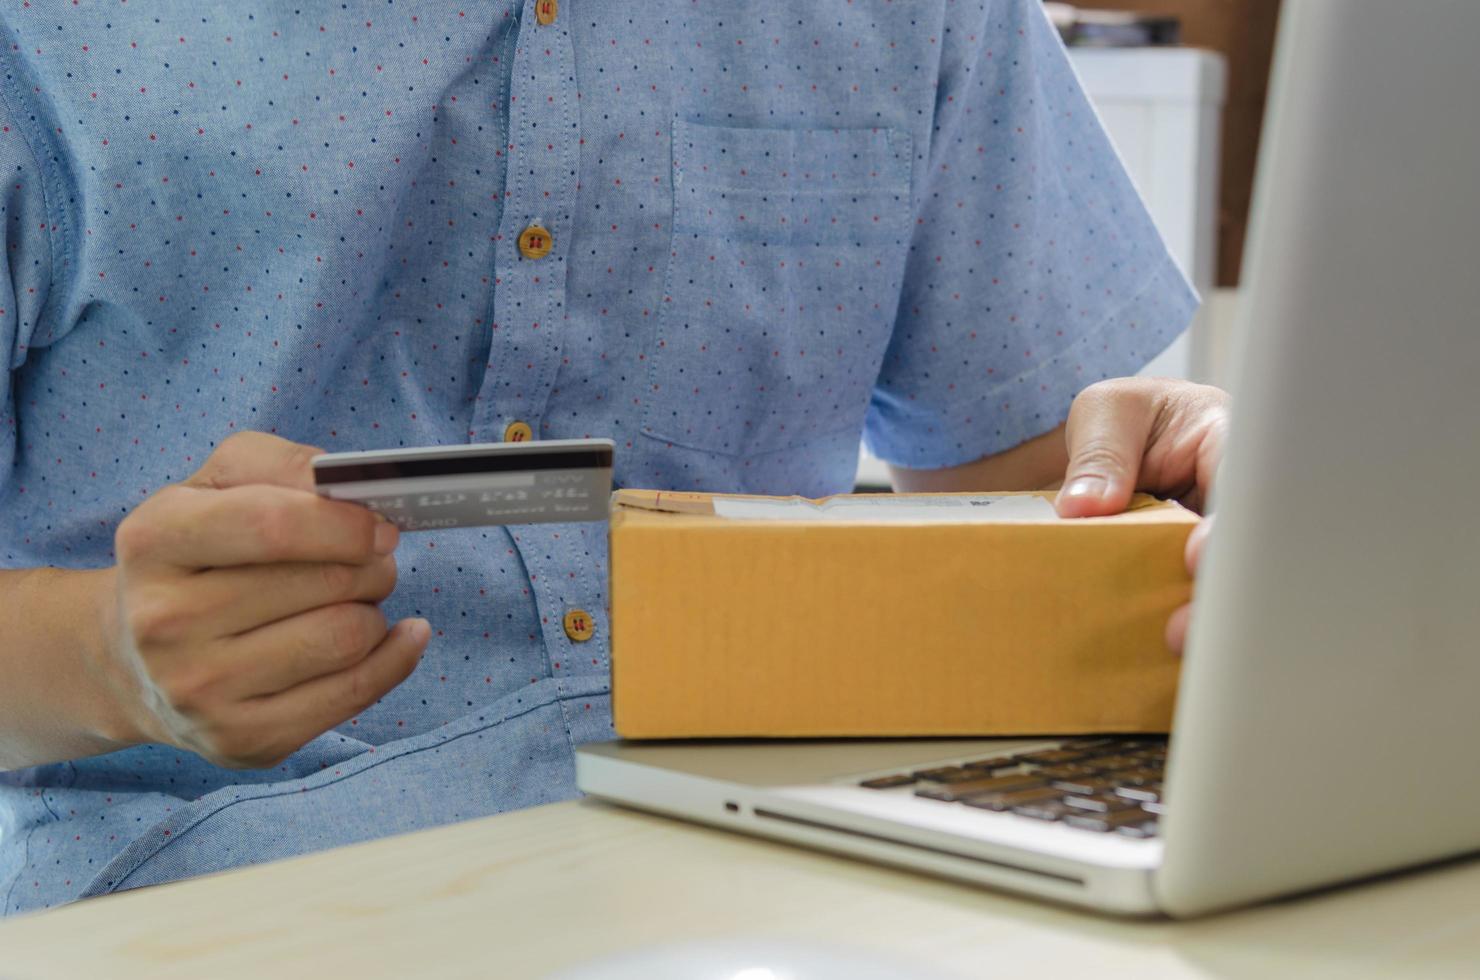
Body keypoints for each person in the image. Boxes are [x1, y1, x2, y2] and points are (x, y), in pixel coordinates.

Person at [0, 0, 1224, 914]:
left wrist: (1186, 501)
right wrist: (113, 655)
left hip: (803, 885)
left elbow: (1029, 508)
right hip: (218, 895)